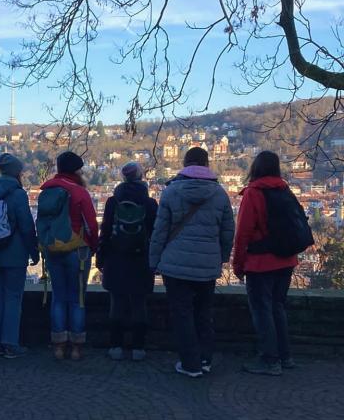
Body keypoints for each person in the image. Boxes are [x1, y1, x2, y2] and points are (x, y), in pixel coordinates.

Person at [149, 147, 234, 378]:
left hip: (175, 265)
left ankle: (190, 363)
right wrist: (222, 257)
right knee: (204, 313)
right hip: (207, 264)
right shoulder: (220, 194)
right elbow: (228, 232)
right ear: (207, 164)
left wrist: (154, 260)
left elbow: (160, 231)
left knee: (182, 314)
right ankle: (205, 359)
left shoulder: (171, 192)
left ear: (185, 164)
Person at [233, 151, 300, 376]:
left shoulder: (254, 193)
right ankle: (285, 355)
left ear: (256, 168)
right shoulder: (285, 190)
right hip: (286, 260)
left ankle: (269, 360)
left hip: (261, 263)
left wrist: (238, 266)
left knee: (262, 311)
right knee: (278, 307)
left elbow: (242, 233)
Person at [96, 162, 158, 361]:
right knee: (139, 303)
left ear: (123, 179)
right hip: (141, 259)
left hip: (116, 257)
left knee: (117, 302)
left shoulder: (113, 202)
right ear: (141, 178)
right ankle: (138, 348)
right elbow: (155, 234)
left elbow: (105, 231)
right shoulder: (150, 203)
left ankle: (116, 346)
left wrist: (101, 257)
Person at [39, 151, 98, 360]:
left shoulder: (47, 190)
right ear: (76, 170)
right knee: (77, 299)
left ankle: (57, 345)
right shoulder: (79, 192)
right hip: (77, 249)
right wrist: (93, 246)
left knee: (58, 297)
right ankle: (75, 347)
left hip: (53, 248)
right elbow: (91, 225)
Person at [0, 153, 39, 359]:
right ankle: (10, 343)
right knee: (13, 297)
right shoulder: (18, 194)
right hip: (13, 254)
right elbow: (26, 226)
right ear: (17, 172)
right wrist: (34, 251)